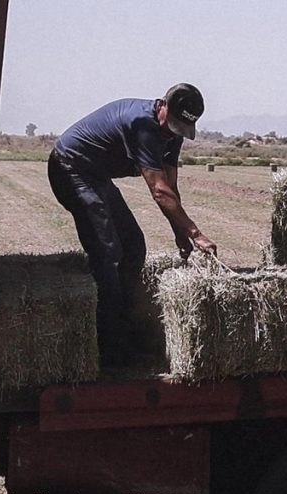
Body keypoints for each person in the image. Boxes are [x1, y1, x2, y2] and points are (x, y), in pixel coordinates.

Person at [48, 83, 217, 363]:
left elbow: (171, 187)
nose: (173, 132)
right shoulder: (143, 125)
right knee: (108, 254)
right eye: (173, 124)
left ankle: (125, 327)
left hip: (96, 175)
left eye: (180, 129)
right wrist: (195, 233)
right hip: (70, 168)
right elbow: (159, 191)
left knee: (134, 247)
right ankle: (109, 347)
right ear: (163, 106)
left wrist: (179, 233)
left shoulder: (172, 133)